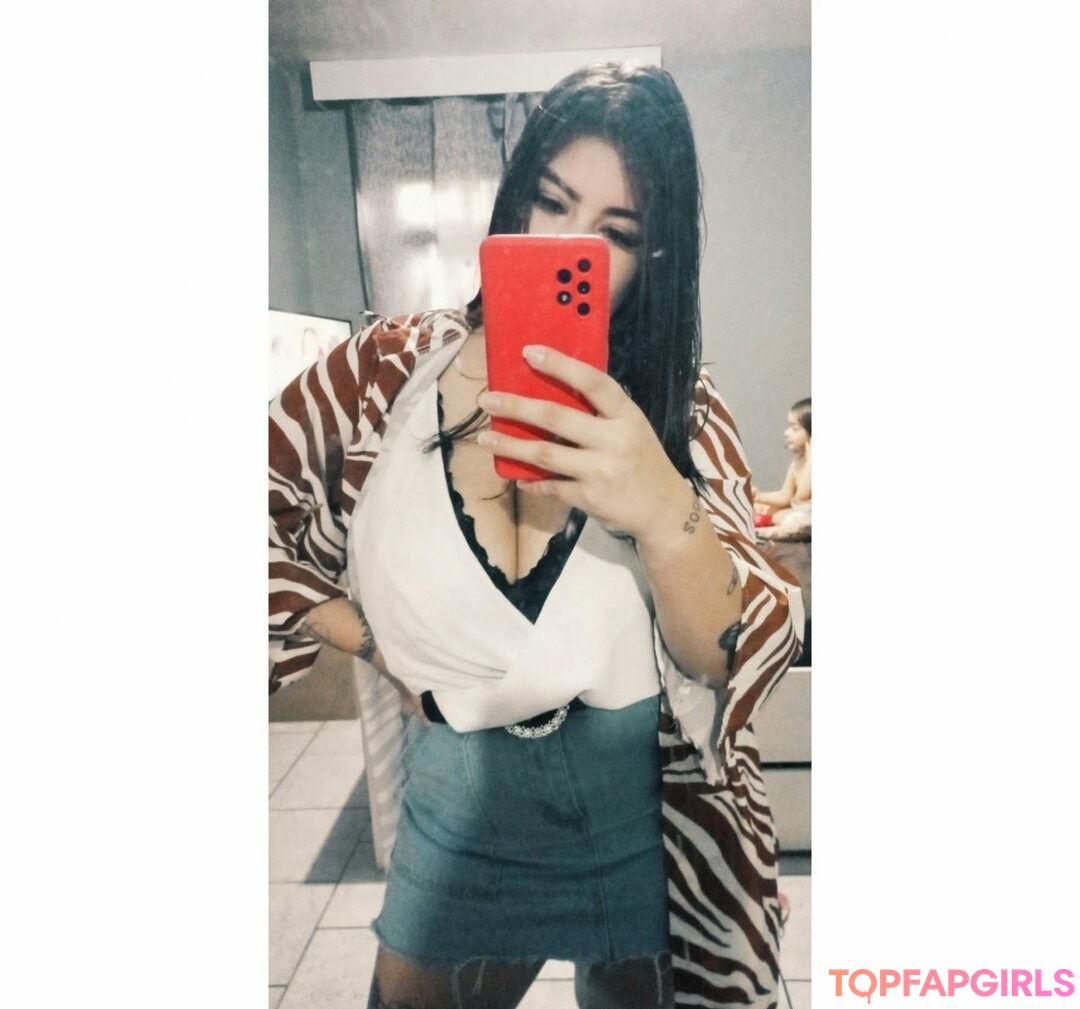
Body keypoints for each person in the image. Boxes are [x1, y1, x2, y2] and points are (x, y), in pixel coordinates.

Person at [269, 62, 803, 1009]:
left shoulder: (678, 405)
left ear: (653, 257)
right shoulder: (384, 372)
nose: (566, 245)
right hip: (457, 827)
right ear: (513, 200)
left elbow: (729, 651)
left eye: (615, 234)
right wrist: (377, 643)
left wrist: (659, 503)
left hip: (649, 828)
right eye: (551, 203)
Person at [753, 397, 811, 539]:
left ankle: (784, 530)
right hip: (796, 512)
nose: (786, 433)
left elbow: (803, 494)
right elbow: (785, 496)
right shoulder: (796, 464)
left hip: (808, 516)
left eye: (794, 428)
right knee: (763, 508)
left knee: (797, 521)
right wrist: (759, 496)